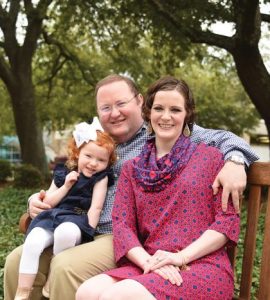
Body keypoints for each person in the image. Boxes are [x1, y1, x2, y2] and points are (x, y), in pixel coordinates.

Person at [4, 74, 258, 300]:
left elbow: (225, 139)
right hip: (79, 228)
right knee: (17, 261)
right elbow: (67, 177)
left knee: (65, 266)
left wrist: (235, 160)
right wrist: (38, 201)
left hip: (113, 236)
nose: (114, 113)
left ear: (139, 103)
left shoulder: (162, 132)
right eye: (105, 108)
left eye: (121, 104)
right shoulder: (95, 144)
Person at [76, 76, 240, 300]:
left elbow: (226, 222)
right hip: (151, 260)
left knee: (117, 296)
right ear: (148, 113)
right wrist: (150, 262)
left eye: (175, 109)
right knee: (87, 292)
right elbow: (122, 227)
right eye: (159, 108)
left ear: (187, 114)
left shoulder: (211, 158)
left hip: (202, 265)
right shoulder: (132, 168)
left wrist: (180, 258)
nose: (166, 116)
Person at [14, 118, 116, 300]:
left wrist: (88, 232)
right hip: (53, 216)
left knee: (65, 232)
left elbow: (96, 207)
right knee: (34, 240)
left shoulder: (101, 178)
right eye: (88, 156)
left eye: (101, 160)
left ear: (108, 162)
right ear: (77, 153)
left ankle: (53, 278)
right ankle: (22, 291)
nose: (93, 163)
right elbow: (50, 201)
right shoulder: (64, 172)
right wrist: (66, 186)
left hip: (77, 221)